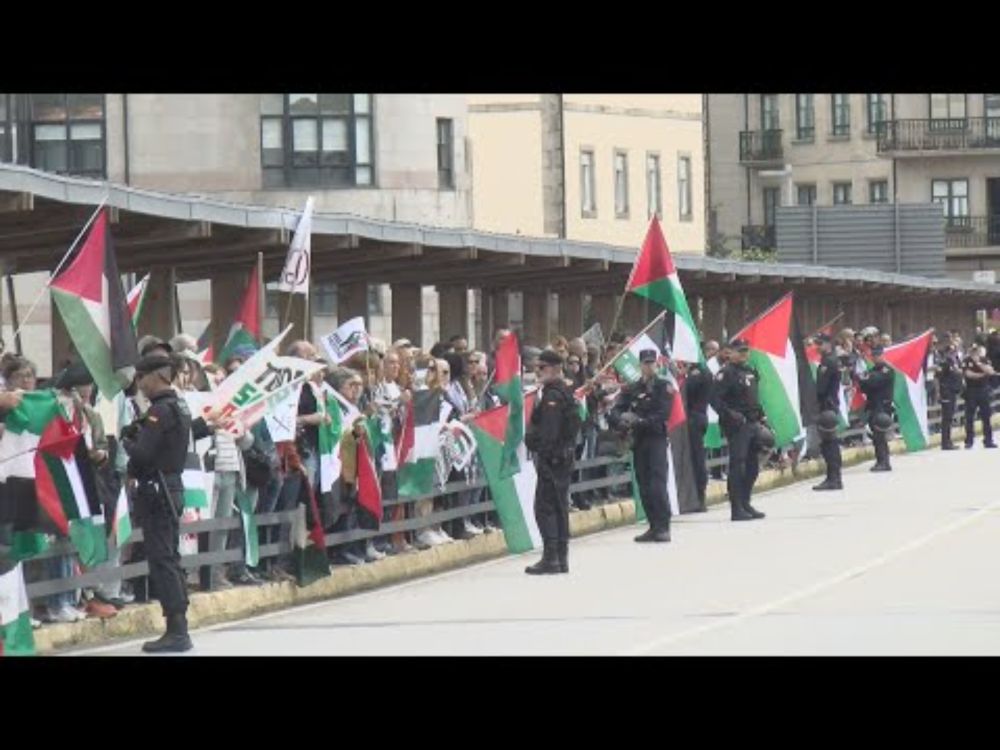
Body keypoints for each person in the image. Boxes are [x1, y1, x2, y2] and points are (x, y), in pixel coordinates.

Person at [122, 353, 194, 653]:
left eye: (142, 377)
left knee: (162, 559)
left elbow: (143, 455)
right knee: (170, 557)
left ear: (158, 375)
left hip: (158, 489)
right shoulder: (179, 405)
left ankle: (177, 630)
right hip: (171, 486)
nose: (140, 384)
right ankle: (178, 626)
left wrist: (125, 440)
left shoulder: (159, 411)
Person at [523, 349, 579, 574]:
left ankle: (551, 557)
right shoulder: (563, 392)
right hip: (562, 458)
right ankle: (560, 557)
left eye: (542, 368)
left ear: (555, 369)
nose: (537, 372)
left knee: (546, 508)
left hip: (553, 459)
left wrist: (535, 444)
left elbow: (550, 433)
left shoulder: (553, 396)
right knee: (559, 507)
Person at [609, 349, 674, 540]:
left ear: (657, 364)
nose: (649, 366)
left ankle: (663, 526)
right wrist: (619, 421)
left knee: (657, 483)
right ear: (640, 365)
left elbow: (663, 414)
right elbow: (616, 408)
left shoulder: (663, 386)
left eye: (652, 363)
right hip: (638, 440)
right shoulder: (633, 388)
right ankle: (653, 525)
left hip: (656, 438)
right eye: (645, 363)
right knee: (643, 483)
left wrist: (638, 422)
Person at [709, 339, 769, 521]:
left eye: (745, 351)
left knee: (752, 465)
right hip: (737, 425)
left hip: (753, 423)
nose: (743, 354)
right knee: (738, 465)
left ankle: (746, 501)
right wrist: (730, 415)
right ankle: (736, 508)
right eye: (739, 351)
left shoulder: (750, 371)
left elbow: (754, 398)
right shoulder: (725, 373)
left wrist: (762, 415)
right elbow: (714, 399)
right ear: (730, 352)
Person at [683, 346, 713, 512]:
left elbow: (685, 391)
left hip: (694, 418)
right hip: (696, 417)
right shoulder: (701, 371)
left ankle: (699, 498)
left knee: (696, 458)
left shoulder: (698, 373)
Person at [858, 345, 895, 472]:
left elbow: (875, 381)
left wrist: (866, 378)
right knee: (876, 436)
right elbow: (863, 386)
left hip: (883, 406)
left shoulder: (887, 370)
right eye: (873, 355)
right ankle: (880, 460)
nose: (875, 358)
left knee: (880, 435)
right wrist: (865, 379)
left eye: (877, 355)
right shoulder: (873, 370)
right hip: (873, 405)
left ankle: (884, 461)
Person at [962, 344, 996, 449]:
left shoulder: (984, 359)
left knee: (986, 416)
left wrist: (979, 363)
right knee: (969, 418)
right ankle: (969, 441)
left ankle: (988, 440)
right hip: (971, 391)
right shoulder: (966, 360)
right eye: (973, 351)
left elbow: (990, 371)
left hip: (983, 390)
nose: (974, 353)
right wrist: (982, 374)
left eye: (976, 351)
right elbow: (968, 374)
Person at [936, 333, 963, 450]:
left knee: (950, 416)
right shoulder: (944, 359)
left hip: (953, 389)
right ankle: (945, 442)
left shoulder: (954, 359)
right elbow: (939, 375)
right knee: (946, 417)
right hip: (946, 389)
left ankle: (948, 440)